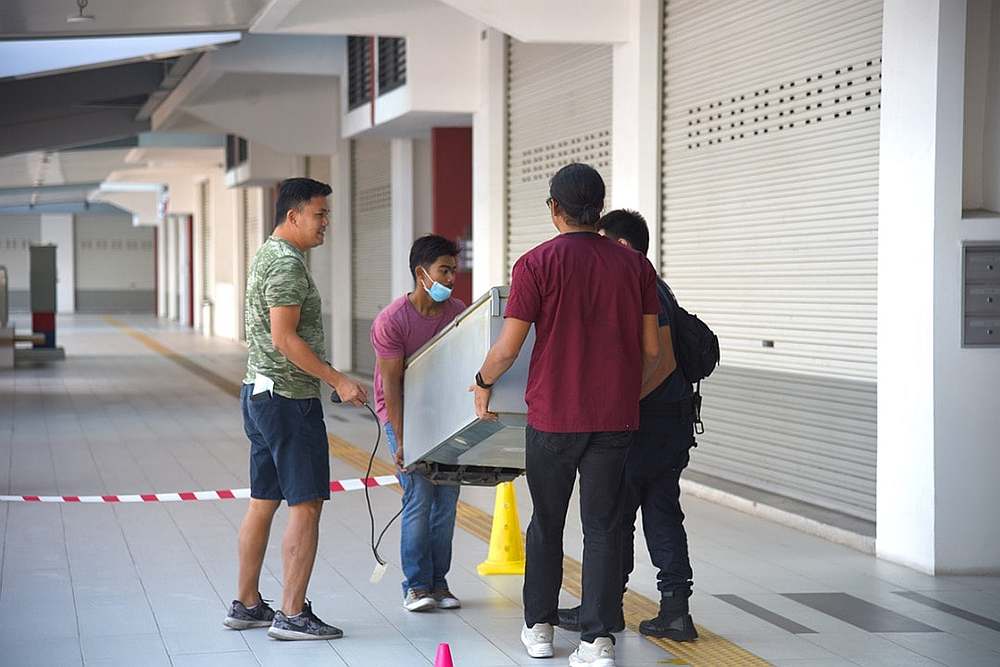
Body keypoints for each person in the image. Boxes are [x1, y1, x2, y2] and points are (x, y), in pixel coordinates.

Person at [472, 164, 660, 667]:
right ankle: (596, 643)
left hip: (554, 417)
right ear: (599, 210)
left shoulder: (535, 264)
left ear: (554, 208)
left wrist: (482, 383)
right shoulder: (635, 267)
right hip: (615, 421)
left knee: (547, 522)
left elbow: (508, 347)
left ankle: (538, 630)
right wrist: (624, 394)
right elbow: (652, 349)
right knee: (602, 526)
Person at [224, 177, 368, 641]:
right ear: (293, 216)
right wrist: (338, 379)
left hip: (259, 393)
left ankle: (247, 604)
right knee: (305, 505)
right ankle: (291, 613)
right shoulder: (287, 265)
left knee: (263, 500)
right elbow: (285, 338)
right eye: (320, 214)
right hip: (287, 399)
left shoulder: (269, 255)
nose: (326, 223)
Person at [557, 210, 698, 642]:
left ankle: (604, 609)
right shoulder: (657, 285)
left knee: (614, 519)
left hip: (644, 426)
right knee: (660, 515)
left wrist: (620, 403)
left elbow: (662, 357)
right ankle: (673, 610)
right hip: (671, 423)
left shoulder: (644, 287)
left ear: (620, 247)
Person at [371, 235, 466, 612]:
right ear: (421, 273)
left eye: (454, 271)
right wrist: (403, 440)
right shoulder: (392, 321)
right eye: (444, 270)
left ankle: (439, 583)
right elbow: (391, 385)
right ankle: (415, 585)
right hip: (403, 413)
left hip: (443, 414)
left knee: (446, 500)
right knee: (420, 496)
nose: (450, 279)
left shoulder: (457, 311)